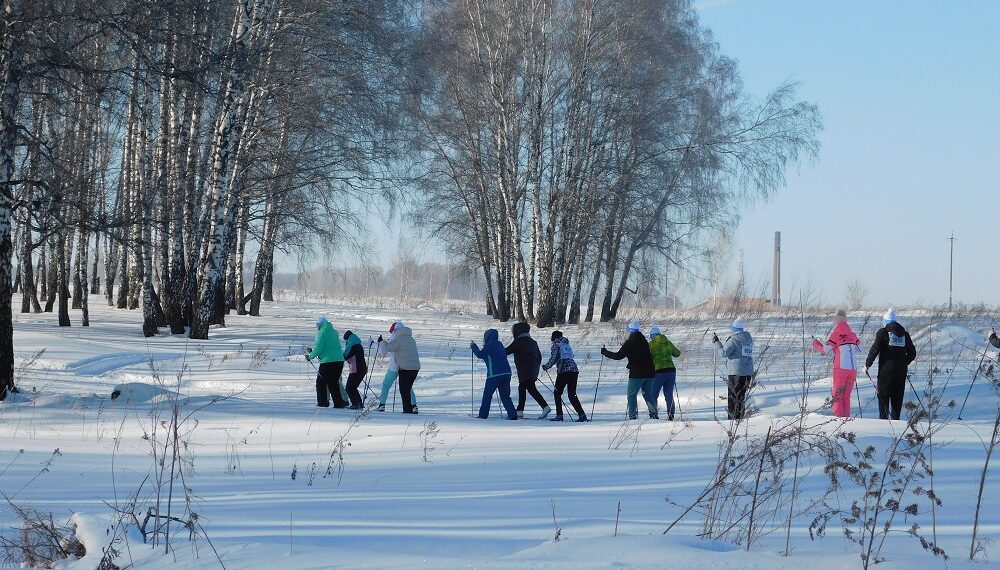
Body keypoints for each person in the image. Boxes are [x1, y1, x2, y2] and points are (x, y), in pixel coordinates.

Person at [865, 308, 916, 420]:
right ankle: (896, 422)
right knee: (897, 398)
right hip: (901, 372)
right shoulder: (905, 335)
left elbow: (875, 349)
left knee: (883, 397)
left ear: (885, 322)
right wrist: (904, 362)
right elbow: (912, 353)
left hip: (885, 372)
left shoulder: (883, 333)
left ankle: (883, 423)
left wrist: (867, 364)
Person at [601, 319, 658, 420]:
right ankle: (654, 415)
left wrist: (605, 352)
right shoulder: (644, 340)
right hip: (650, 372)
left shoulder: (630, 342)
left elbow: (618, 356)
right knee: (648, 394)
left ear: (630, 330)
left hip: (637, 373)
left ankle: (632, 417)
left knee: (632, 395)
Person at [811, 309, 861, 418]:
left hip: (841, 368)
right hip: (853, 369)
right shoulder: (852, 335)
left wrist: (816, 343)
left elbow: (825, 350)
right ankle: (846, 418)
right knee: (846, 395)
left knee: (837, 395)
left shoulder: (836, 334)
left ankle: (838, 419)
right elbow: (860, 348)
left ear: (836, 322)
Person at [505, 322, 551, 419]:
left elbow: (506, 351)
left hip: (524, 369)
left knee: (530, 388)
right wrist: (535, 366)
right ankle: (520, 410)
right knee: (522, 387)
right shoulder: (533, 342)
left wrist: (496, 350)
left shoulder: (519, 341)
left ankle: (545, 407)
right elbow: (539, 356)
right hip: (533, 369)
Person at [470, 329, 518, 420]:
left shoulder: (489, 345)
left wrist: (473, 346)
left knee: (487, 395)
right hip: (507, 373)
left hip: (494, 374)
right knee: (505, 396)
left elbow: (480, 355)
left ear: (487, 337)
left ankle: (483, 415)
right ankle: (512, 414)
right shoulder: (499, 344)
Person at [713, 317, 754, 420]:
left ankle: (732, 420)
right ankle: (740, 418)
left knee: (733, 398)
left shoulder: (734, 339)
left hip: (736, 373)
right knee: (741, 397)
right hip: (747, 373)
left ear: (734, 328)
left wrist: (717, 342)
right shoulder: (748, 338)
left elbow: (723, 353)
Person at [542, 331, 587, 422]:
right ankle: (582, 415)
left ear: (553, 337)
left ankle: (559, 415)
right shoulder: (566, 344)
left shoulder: (556, 344)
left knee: (557, 393)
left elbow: (554, 358)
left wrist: (546, 367)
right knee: (572, 394)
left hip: (564, 370)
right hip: (574, 370)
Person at [378, 322, 421, 414]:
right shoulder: (411, 339)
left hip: (397, 366)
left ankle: (382, 405)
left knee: (386, 385)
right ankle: (414, 406)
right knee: (408, 388)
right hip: (413, 368)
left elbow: (386, 348)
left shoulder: (397, 338)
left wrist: (380, 342)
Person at [307, 316, 348, 408]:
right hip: (339, 361)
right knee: (333, 383)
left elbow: (318, 348)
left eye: (317, 325)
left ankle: (322, 402)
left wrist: (310, 356)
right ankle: (339, 403)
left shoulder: (321, 333)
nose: (317, 327)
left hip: (328, 362)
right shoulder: (334, 332)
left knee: (321, 382)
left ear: (320, 325)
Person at [648, 325, 681, 421]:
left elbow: (648, 357)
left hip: (658, 372)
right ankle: (671, 414)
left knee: (653, 394)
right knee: (668, 394)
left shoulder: (651, 344)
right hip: (671, 371)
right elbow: (677, 354)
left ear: (652, 336)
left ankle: (653, 414)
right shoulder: (667, 342)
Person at [342, 330, 369, 409]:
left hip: (356, 369)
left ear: (348, 339)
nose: (346, 342)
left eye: (346, 340)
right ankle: (358, 404)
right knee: (352, 387)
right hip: (361, 369)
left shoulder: (352, 346)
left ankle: (356, 404)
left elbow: (345, 356)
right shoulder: (358, 345)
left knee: (349, 387)